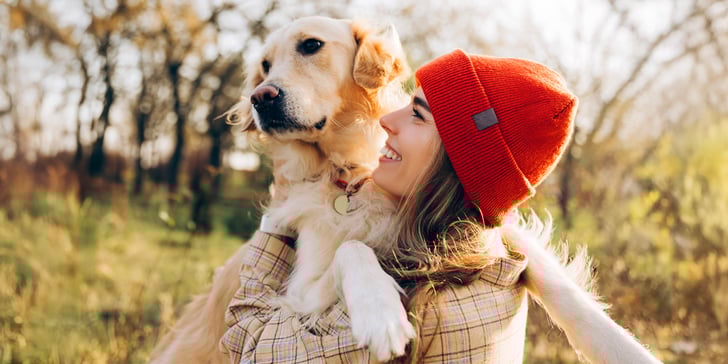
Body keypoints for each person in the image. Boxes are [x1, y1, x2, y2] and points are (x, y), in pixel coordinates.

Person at [220, 49, 577, 363]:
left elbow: (246, 348)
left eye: (417, 115)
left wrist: (284, 219)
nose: (386, 119)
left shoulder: (410, 311)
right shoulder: (496, 264)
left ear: (456, 161)